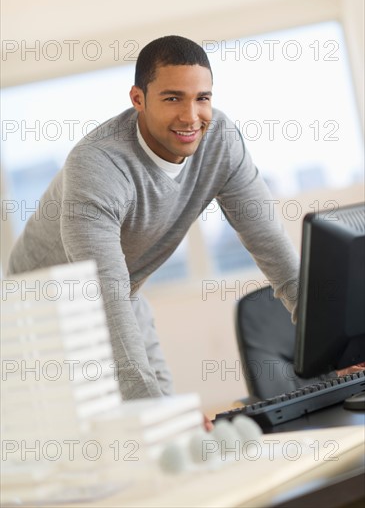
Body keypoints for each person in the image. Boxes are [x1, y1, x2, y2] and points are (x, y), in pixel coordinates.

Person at [6, 35, 308, 415]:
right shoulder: (98, 165)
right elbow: (102, 295)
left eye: (202, 98)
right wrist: (156, 416)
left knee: (165, 411)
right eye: (172, 98)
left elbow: (275, 252)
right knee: (118, 428)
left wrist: (331, 351)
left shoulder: (220, 143)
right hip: (43, 310)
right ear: (138, 99)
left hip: (122, 294)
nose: (190, 116)